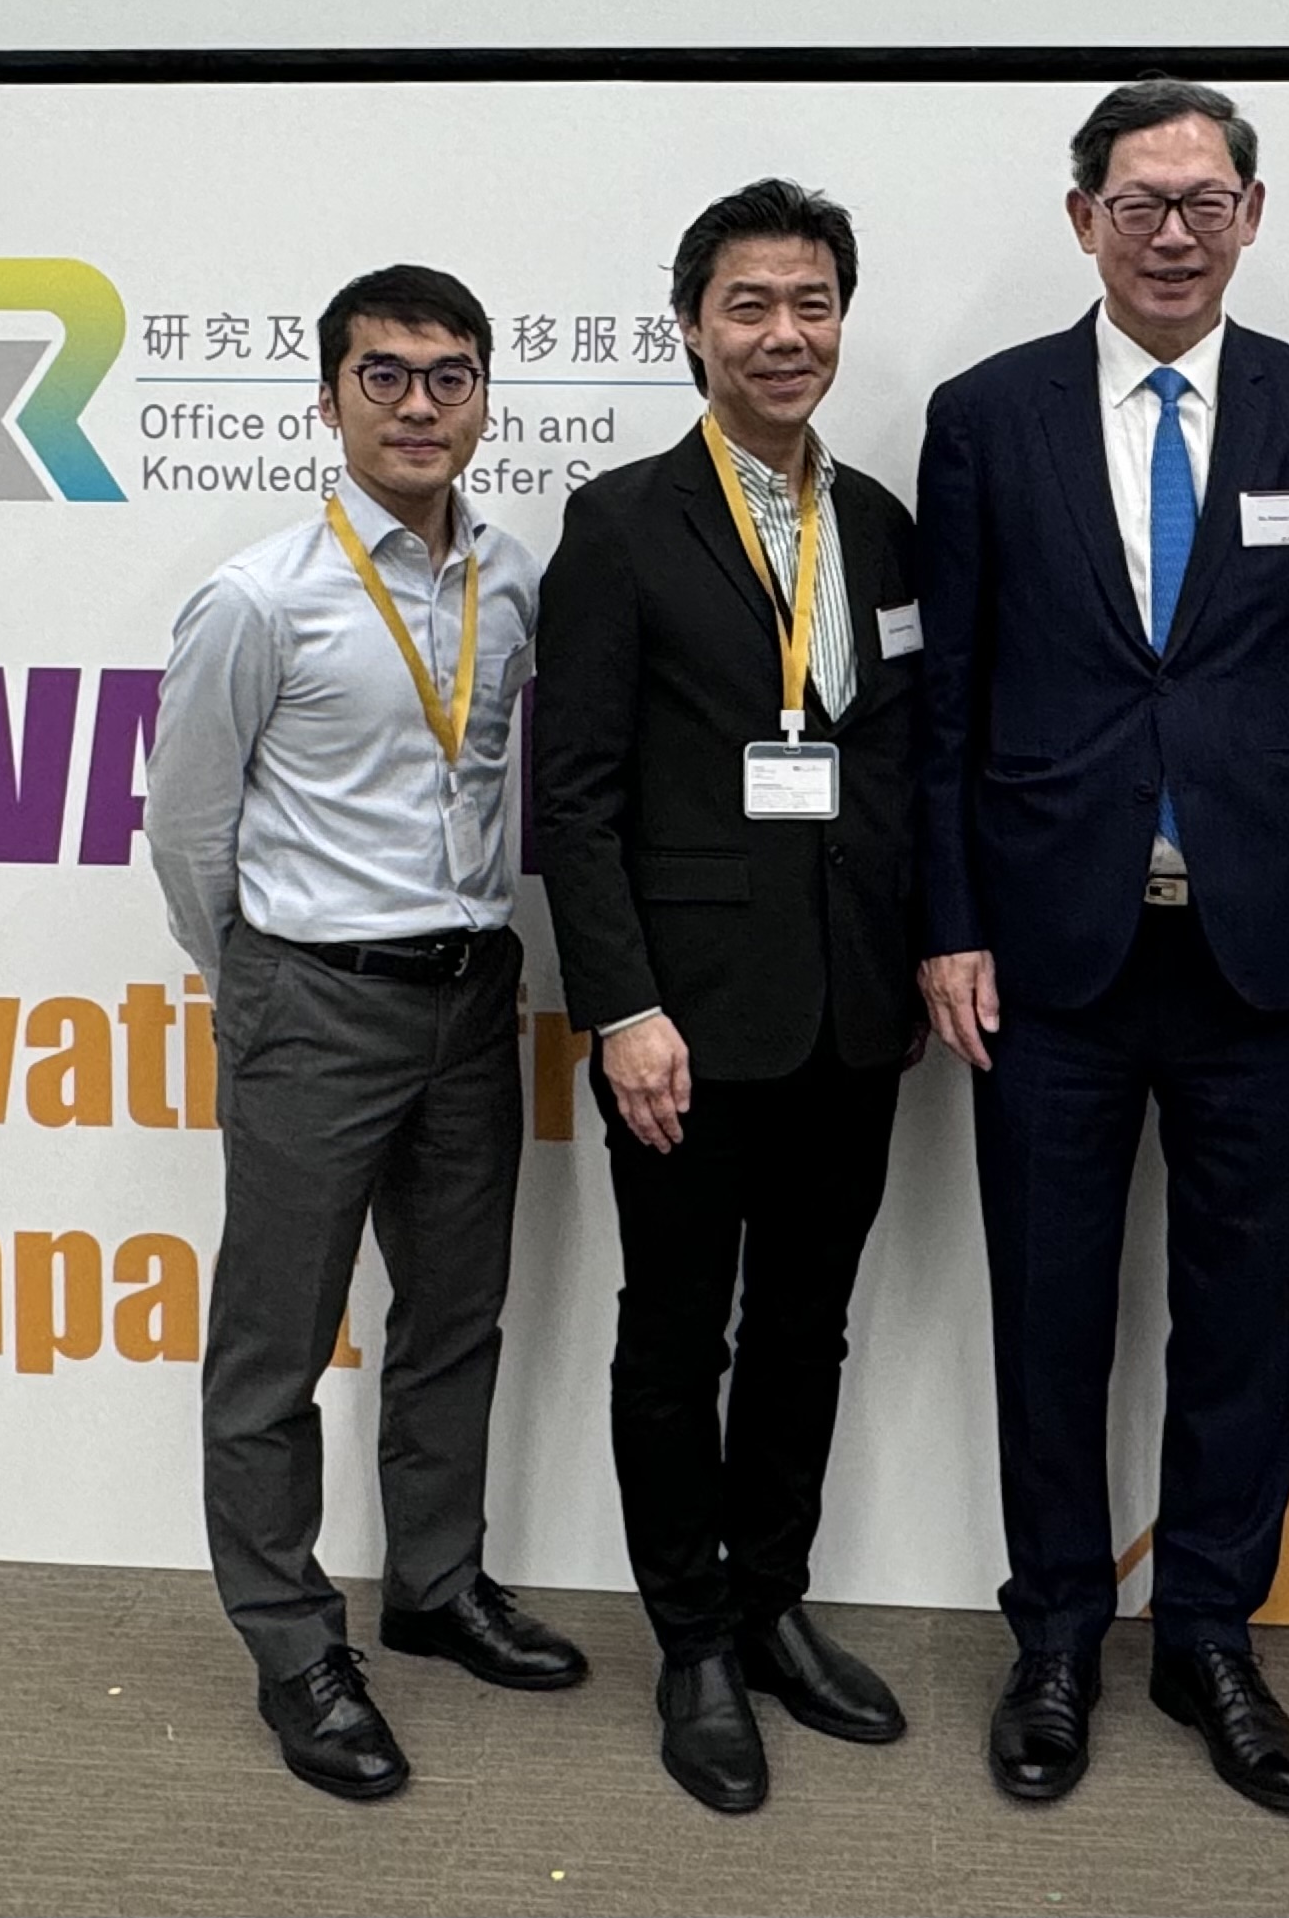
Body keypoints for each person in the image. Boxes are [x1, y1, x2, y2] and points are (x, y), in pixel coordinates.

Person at [914, 77, 1289, 1815]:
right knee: (1048, 1316)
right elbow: (949, 693)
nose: (1175, 230)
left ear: (1253, 217)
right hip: (1046, 954)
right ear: (1083, 221)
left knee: (1237, 1312)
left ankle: (1209, 1634)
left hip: (1266, 953)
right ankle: (1053, 1633)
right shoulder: (985, 415)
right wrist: (950, 921)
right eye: (1141, 202)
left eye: (1206, 200)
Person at [146, 263, 591, 1803]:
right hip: (315, 999)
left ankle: (434, 1585)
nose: (419, 403)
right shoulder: (260, 596)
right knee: (272, 1346)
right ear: (328, 399)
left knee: (454, 1314)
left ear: (485, 399)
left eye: (448, 375)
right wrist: (266, 981)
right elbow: (188, 833)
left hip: (475, 990)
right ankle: (292, 1644)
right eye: (386, 375)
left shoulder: (515, 580)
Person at [534, 179, 923, 1814]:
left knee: (809, 1328)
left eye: (813, 302)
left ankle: (771, 1601)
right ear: (692, 324)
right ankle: (688, 1638)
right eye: (752, 305)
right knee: (674, 1332)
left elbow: (898, 764)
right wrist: (621, 1007)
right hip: (683, 1023)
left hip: (850, 1005)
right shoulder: (621, 522)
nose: (786, 333)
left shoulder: (887, 525)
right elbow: (576, 794)